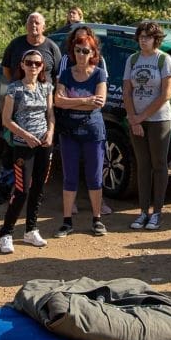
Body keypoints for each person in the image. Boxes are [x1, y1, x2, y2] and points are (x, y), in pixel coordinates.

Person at [0, 13, 63, 205]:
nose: (34, 25)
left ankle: (35, 191)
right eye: (30, 22)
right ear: (26, 25)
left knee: (41, 149)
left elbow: (57, 75)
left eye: (37, 23)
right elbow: (7, 70)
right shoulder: (16, 44)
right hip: (18, 102)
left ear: (44, 26)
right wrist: (18, 89)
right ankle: (5, 187)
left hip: (43, 103)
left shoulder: (51, 47)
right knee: (11, 147)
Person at [0, 49, 54, 254]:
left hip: (43, 145)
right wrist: (26, 136)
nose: (33, 67)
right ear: (22, 65)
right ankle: (6, 232)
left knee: (38, 188)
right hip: (23, 146)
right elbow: (6, 120)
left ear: (42, 67)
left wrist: (50, 133)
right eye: (29, 62)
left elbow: (50, 114)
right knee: (22, 190)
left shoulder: (46, 87)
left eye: (37, 64)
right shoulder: (14, 89)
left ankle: (31, 229)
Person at [54, 30, 109, 237]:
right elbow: (58, 101)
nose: (81, 54)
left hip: (93, 131)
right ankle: (67, 221)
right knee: (70, 177)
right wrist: (86, 101)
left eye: (86, 50)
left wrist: (71, 101)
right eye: (77, 50)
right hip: (69, 131)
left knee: (94, 177)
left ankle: (97, 220)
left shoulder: (98, 73)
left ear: (93, 52)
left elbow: (100, 101)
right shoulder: (67, 73)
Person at [124, 21, 171, 231]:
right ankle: (143, 211)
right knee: (142, 165)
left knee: (159, 164)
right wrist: (133, 118)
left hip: (159, 120)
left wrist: (142, 116)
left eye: (147, 36)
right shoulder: (133, 59)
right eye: (141, 37)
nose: (143, 40)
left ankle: (157, 212)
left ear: (156, 39)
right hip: (137, 119)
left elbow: (166, 94)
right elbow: (127, 90)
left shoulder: (164, 59)